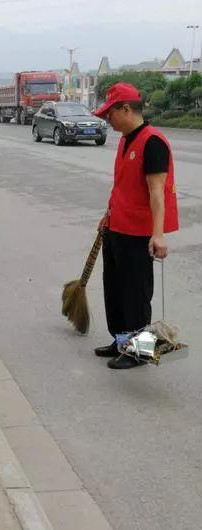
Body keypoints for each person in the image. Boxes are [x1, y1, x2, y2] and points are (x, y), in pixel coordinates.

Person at [92, 82, 178, 370]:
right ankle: (121, 342)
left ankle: (139, 352)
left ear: (126, 109)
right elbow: (123, 185)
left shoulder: (152, 142)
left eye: (110, 114)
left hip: (138, 233)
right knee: (114, 288)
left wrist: (158, 234)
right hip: (117, 226)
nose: (108, 120)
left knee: (135, 293)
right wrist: (109, 213)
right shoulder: (126, 138)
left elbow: (157, 192)